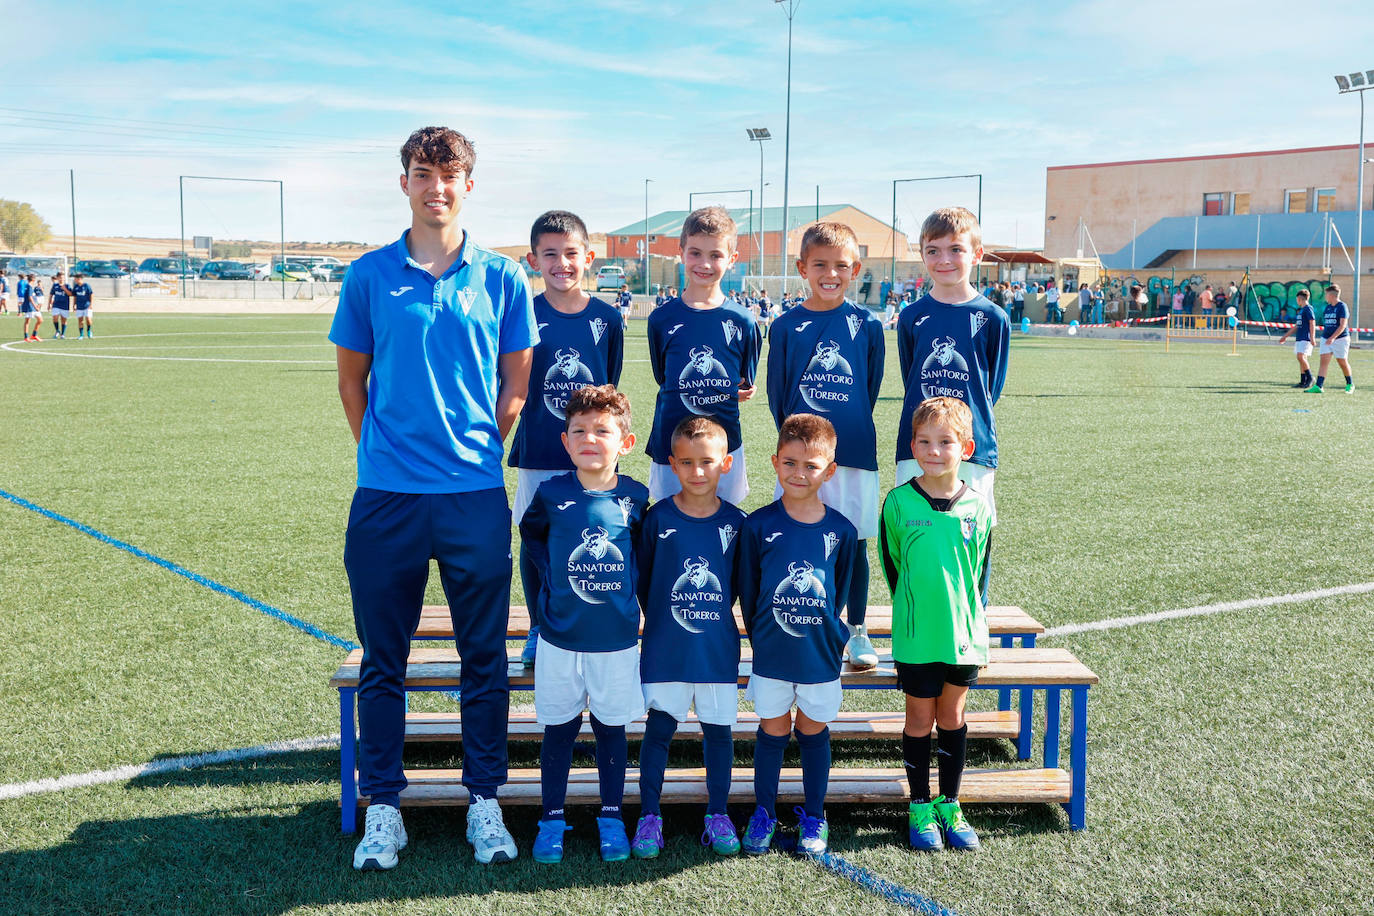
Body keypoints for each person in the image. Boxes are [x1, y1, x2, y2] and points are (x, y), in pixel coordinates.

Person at [330, 126, 536, 871]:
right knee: (384, 659)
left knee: (483, 657)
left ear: (469, 186)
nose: (436, 187)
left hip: (473, 495)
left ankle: (486, 801)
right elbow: (352, 382)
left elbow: (516, 382)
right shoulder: (368, 275)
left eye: (450, 176)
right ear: (406, 183)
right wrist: (384, 453)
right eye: (423, 173)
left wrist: (480, 447)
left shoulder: (504, 278)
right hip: (386, 498)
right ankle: (384, 807)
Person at [519, 384, 648, 864]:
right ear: (565, 441)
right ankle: (551, 817)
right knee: (559, 729)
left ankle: (611, 816)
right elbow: (530, 540)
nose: (590, 438)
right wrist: (552, 585)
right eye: (580, 431)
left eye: (603, 430)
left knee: (612, 729)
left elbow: (646, 561)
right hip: (559, 639)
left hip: (615, 641)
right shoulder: (551, 494)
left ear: (625, 443)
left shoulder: (636, 498)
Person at [735, 413, 857, 857]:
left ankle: (814, 814)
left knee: (812, 729)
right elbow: (749, 592)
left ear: (829, 471)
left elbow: (839, 592)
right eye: (790, 463)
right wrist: (762, 637)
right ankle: (763, 813)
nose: (799, 474)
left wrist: (828, 634)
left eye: (811, 466)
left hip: (818, 654)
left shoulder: (840, 530)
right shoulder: (758, 525)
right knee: (771, 729)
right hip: (772, 652)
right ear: (774, 462)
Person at [765, 222, 885, 670]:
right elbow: (779, 395)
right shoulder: (787, 324)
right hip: (803, 458)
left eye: (840, 265)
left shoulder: (866, 324)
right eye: (820, 265)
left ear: (854, 269)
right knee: (800, 538)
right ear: (802, 268)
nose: (830, 273)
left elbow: (868, 390)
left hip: (853, 453)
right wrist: (802, 447)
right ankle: (801, 622)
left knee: (854, 543)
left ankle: (855, 630)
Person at [511, 210, 624, 665]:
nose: (562, 263)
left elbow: (607, 384)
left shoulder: (606, 317)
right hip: (539, 449)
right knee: (535, 539)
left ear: (589, 257)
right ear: (533, 259)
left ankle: (588, 621)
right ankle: (539, 626)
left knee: (591, 538)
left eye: (571, 253)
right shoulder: (522, 312)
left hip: (592, 452)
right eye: (550, 254)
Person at [632, 415, 747, 859]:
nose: (697, 472)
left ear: (726, 463)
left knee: (718, 733)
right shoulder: (656, 518)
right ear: (672, 465)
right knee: (659, 730)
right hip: (666, 647)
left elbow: (739, 586)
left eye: (706, 462)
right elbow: (644, 581)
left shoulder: (737, 523)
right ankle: (648, 816)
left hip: (716, 649)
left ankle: (717, 812)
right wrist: (666, 618)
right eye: (686, 463)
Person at [882, 396, 993, 851]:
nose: (934, 450)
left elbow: (979, 572)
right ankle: (920, 805)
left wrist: (968, 621)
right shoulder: (898, 502)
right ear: (913, 446)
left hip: (963, 637)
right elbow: (892, 566)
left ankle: (950, 801)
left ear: (965, 448)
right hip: (916, 637)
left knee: (952, 718)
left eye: (945, 442)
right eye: (924, 442)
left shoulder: (978, 507)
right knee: (918, 719)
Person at [896, 206, 1009, 540]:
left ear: (977, 254)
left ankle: (976, 596)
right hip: (917, 445)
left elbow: (991, 389)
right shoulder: (911, 316)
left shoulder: (993, 318)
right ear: (922, 255)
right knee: (915, 537)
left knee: (972, 538)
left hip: (971, 447)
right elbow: (910, 376)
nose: (944, 259)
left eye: (955, 249)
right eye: (933, 251)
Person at [645, 207, 761, 505]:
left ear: (732, 259)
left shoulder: (743, 320)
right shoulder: (661, 319)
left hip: (724, 447)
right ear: (681, 251)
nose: (705, 264)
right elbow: (664, 377)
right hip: (671, 444)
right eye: (695, 253)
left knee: (727, 526)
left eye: (716, 255)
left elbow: (742, 381)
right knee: (670, 527)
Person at [1306, 284, 1354, 394]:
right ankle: (1319, 386)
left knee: (1342, 361)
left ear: (1332, 295)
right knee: (1323, 362)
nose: (1325, 296)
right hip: (1326, 338)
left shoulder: (1342, 306)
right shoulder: (1328, 307)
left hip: (1340, 339)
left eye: (1327, 294)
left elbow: (1342, 325)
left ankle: (1350, 384)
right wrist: (1327, 337)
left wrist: (1333, 338)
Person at [1278, 288, 1317, 389]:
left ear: (1300, 299)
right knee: (1301, 358)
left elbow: (1312, 322)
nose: (1297, 301)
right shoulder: (1302, 310)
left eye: (1297, 299)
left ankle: (1310, 377)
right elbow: (1297, 326)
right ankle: (1303, 381)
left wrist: (1312, 337)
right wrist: (1285, 336)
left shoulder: (1308, 308)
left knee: (1301, 357)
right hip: (1300, 337)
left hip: (1306, 337)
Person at [48, 272, 71, 339]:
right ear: (57, 278)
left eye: (63, 277)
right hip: (56, 305)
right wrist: (49, 304)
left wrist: (65, 289)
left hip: (65, 305)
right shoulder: (55, 285)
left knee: (64, 320)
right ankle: (57, 330)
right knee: (55, 317)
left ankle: (63, 334)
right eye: (60, 277)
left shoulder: (67, 286)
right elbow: (51, 295)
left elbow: (70, 294)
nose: (61, 279)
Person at [19, 273, 41, 342]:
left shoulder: (29, 286)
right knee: (27, 321)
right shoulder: (29, 286)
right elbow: (30, 298)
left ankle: (34, 335)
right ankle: (26, 336)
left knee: (40, 320)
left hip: (33, 307)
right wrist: (35, 306)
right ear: (33, 279)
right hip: (30, 307)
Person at [71, 272, 93, 338]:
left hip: (86, 306)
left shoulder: (86, 285)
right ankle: (81, 335)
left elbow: (91, 294)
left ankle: (89, 330)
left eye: (75, 279)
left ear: (80, 279)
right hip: (79, 306)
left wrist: (91, 304)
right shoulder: (76, 287)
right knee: (80, 320)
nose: (75, 280)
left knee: (88, 319)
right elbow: (75, 296)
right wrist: (74, 305)